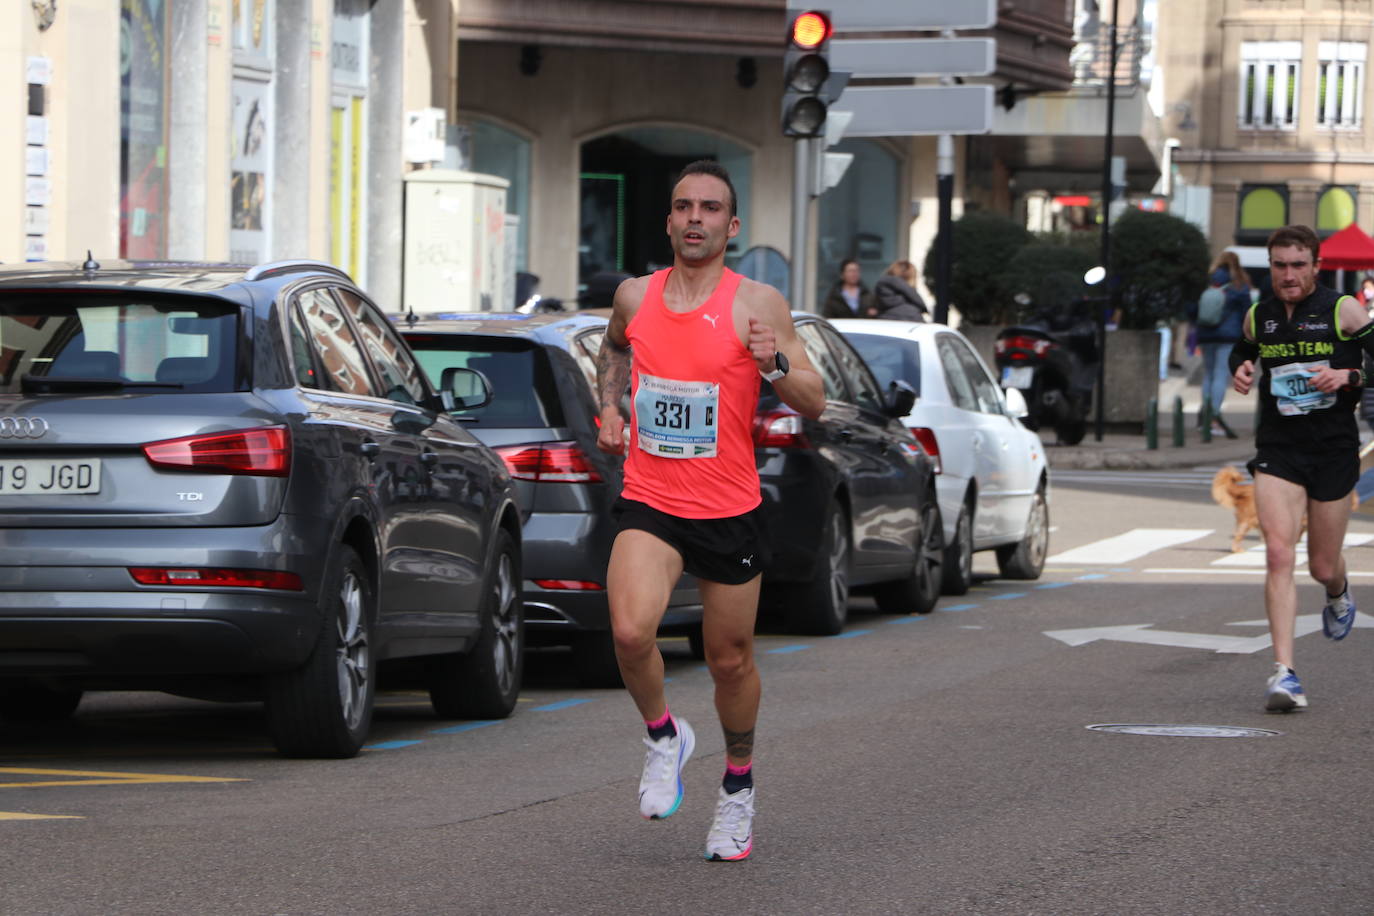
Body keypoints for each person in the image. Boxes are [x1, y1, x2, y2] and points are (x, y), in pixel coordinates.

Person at [594, 160, 824, 861]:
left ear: (732, 225)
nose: (696, 218)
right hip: (652, 497)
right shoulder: (635, 297)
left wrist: (774, 365)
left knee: (729, 663)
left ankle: (737, 788)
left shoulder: (757, 303)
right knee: (632, 632)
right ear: (668, 220)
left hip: (729, 507)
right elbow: (611, 352)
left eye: (711, 208)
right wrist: (609, 405)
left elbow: (814, 399)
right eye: (684, 206)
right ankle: (663, 735)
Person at [1229, 224, 1372, 712]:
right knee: (1276, 553)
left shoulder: (1343, 309)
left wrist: (1348, 375)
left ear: (1315, 266)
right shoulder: (1259, 315)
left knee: (1321, 565)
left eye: (1297, 265)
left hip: (1333, 448)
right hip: (1279, 448)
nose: (1287, 275)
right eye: (1278, 266)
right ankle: (1284, 674)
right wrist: (1242, 368)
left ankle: (1338, 590)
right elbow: (1243, 350)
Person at [1196, 251, 1251, 438]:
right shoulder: (1239, 285)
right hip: (1227, 336)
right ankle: (1213, 419)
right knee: (1220, 375)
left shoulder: (1210, 280)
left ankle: (1204, 419)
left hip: (1205, 334)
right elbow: (1247, 312)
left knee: (1208, 375)